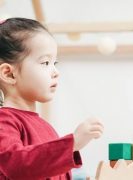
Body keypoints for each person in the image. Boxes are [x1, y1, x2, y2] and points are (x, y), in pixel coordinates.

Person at [0, 18, 104, 179]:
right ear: (9, 73)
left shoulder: (45, 127)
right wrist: (72, 143)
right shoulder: (4, 121)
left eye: (54, 62)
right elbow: (15, 167)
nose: (56, 72)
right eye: (45, 62)